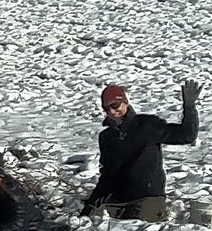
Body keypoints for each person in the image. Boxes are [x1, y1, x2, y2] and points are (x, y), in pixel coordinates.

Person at [81, 81, 199, 221]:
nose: (112, 112)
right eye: (107, 109)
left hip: (148, 200)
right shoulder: (107, 137)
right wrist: (89, 208)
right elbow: (107, 177)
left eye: (115, 105)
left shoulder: (147, 126)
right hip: (118, 202)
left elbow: (186, 136)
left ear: (125, 103)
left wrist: (189, 107)